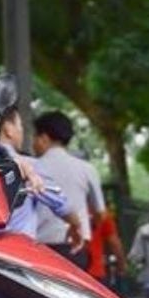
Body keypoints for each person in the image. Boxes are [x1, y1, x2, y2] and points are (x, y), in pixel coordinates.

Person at [0, 77, 82, 248]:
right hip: (18, 255)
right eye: (20, 125)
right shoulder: (26, 165)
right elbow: (59, 202)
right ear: (8, 129)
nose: (21, 131)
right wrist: (76, 226)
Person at [32, 111, 106, 270]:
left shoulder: (32, 168)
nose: (33, 143)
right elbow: (101, 214)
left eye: (35, 138)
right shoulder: (87, 169)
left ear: (44, 138)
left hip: (40, 250)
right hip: (76, 250)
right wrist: (85, 228)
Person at [86, 197, 127, 291]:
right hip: (95, 271)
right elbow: (115, 244)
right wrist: (122, 265)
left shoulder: (66, 213)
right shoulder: (102, 215)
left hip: (70, 270)